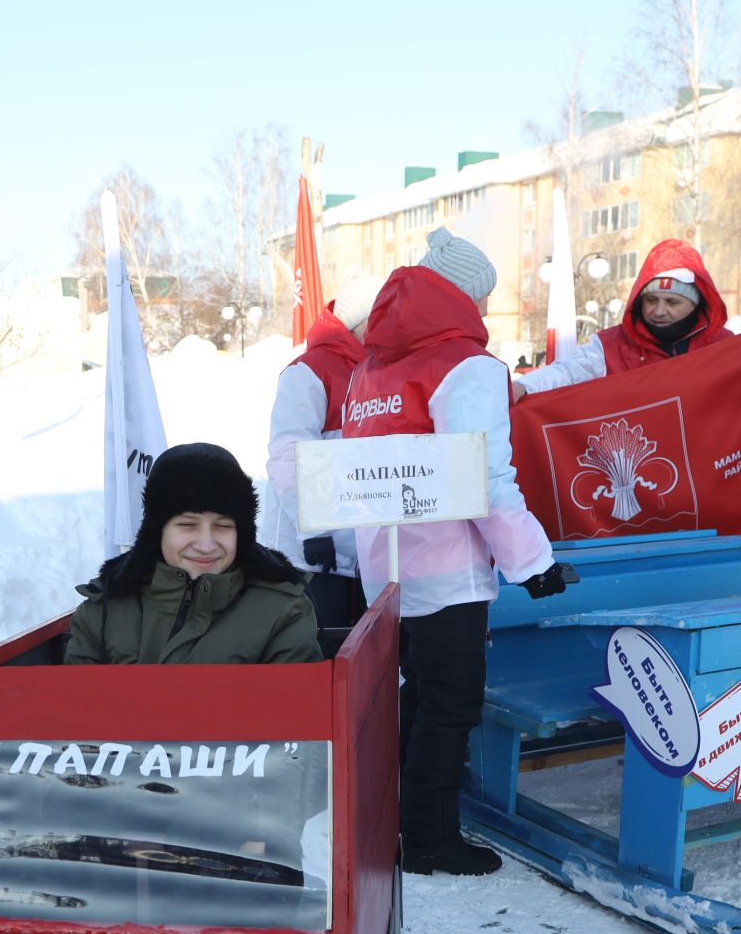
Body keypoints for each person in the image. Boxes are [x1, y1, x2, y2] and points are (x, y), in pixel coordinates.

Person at [342, 228, 577, 876]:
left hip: (383, 569)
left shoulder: (372, 365)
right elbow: (485, 478)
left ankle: (395, 821)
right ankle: (429, 839)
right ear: (470, 297)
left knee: (412, 701)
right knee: (447, 704)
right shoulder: (466, 367)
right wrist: (534, 561)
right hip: (446, 571)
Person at [67, 442, 321, 665]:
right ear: (157, 532)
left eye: (222, 526)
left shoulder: (284, 611)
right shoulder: (102, 613)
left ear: (241, 534)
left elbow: (289, 710)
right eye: (187, 525)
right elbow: (76, 710)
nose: (206, 544)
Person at [265, 272, 385, 629]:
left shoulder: (381, 371)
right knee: (317, 654)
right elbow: (289, 454)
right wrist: (313, 529)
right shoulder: (309, 371)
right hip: (310, 555)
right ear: (365, 320)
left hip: (359, 553)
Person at [512, 238, 733, 399]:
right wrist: (525, 386)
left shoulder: (725, 347)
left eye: (672, 302)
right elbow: (568, 372)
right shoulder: (610, 347)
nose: (659, 310)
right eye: (651, 300)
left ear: (695, 304)